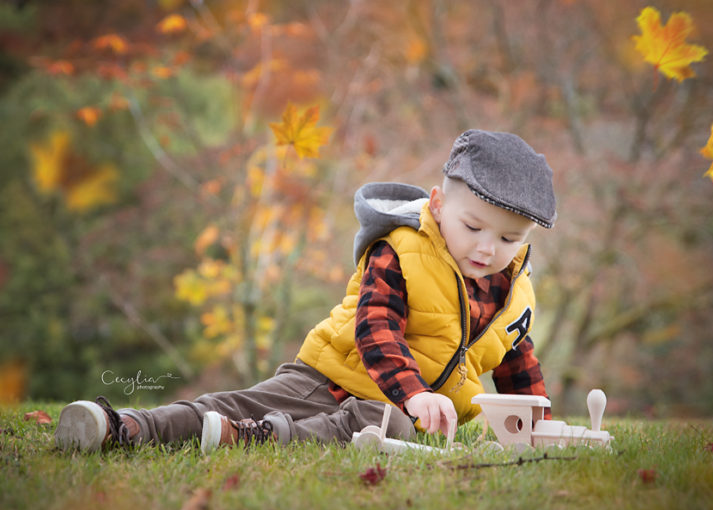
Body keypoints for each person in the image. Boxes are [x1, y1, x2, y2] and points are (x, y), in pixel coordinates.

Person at [54, 129, 556, 454]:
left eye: (509, 238)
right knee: (237, 402)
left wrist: (538, 425)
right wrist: (418, 393)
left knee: (387, 428)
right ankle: (125, 426)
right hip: (329, 374)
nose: (488, 249)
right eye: (473, 227)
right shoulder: (400, 250)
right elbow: (376, 328)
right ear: (439, 204)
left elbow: (516, 360)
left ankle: (254, 440)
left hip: (391, 411)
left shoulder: (514, 293)